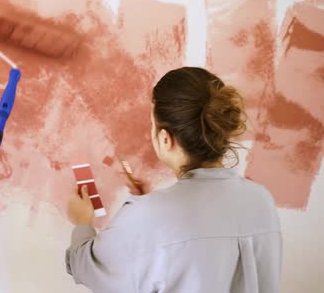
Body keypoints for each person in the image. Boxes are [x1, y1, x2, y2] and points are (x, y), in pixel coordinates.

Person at [65, 67, 282, 292]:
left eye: (152, 125)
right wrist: (148, 206)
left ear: (165, 139)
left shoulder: (147, 215)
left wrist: (82, 222)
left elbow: (87, 267)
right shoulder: (261, 200)